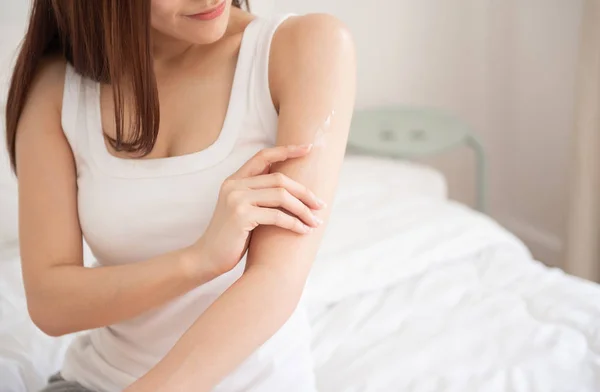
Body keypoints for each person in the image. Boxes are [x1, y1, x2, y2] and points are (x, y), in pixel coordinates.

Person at [4, 0, 356, 391]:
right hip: (96, 381)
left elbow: (275, 280)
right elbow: (51, 303)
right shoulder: (58, 87)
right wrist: (198, 260)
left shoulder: (302, 47)